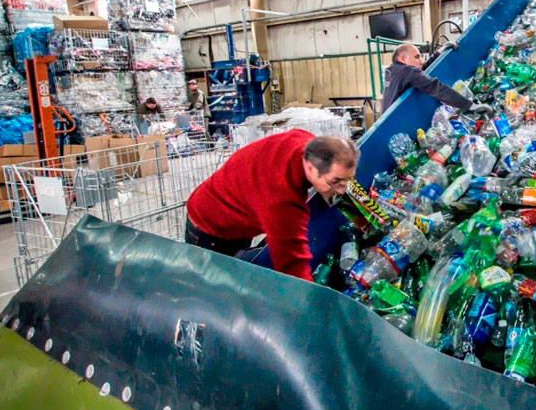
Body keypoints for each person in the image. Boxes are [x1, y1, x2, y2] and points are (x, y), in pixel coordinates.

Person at [185, 130, 359, 282]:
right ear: (312, 169)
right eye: (335, 182)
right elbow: (292, 266)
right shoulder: (280, 198)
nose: (341, 189)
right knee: (217, 291)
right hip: (210, 227)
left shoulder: (308, 144)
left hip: (236, 204)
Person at [381, 43, 492, 115]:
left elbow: (421, 69)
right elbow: (436, 88)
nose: (421, 61)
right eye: (417, 57)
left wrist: (439, 52)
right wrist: (470, 106)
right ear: (403, 59)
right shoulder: (407, 71)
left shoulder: (392, 71)